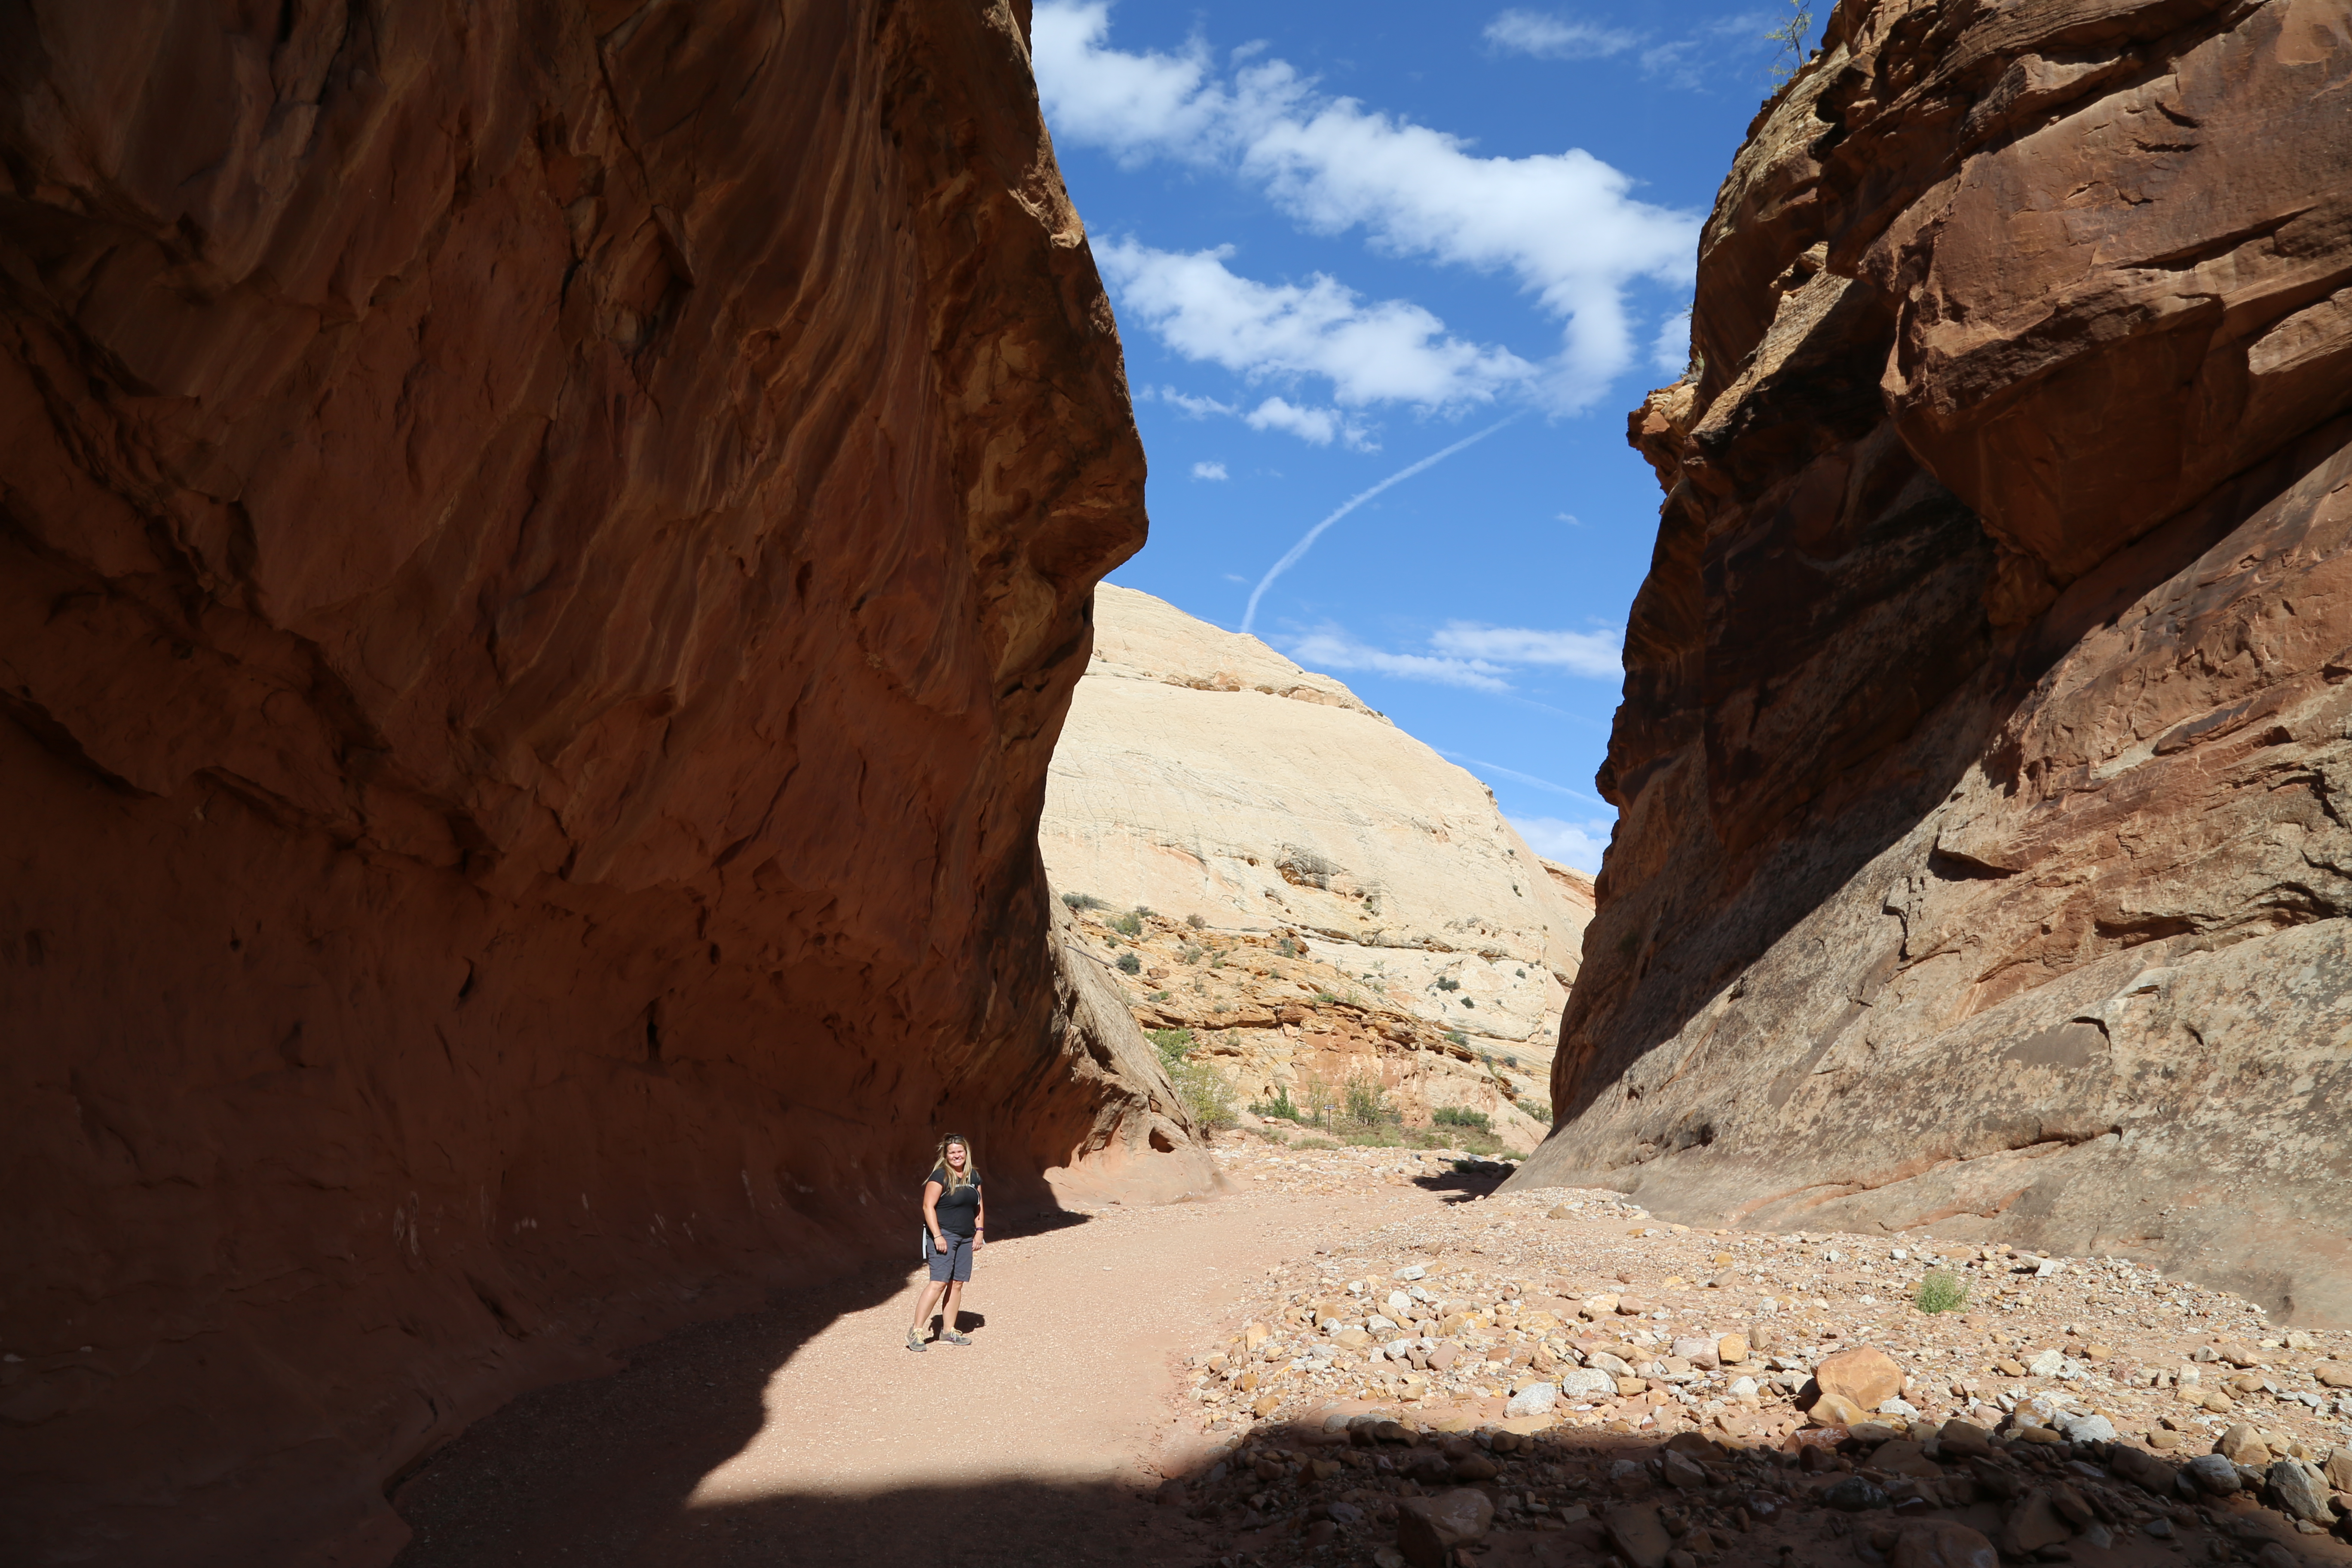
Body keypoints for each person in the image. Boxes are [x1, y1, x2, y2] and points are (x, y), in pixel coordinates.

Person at [906, 1133, 984, 1351]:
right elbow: (927, 1207)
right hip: (944, 1235)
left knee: (957, 1283)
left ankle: (948, 1331)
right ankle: (916, 1331)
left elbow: (978, 1206)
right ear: (946, 1155)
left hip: (966, 1236)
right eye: (952, 1152)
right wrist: (938, 1235)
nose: (957, 1155)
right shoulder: (939, 1176)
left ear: (966, 1153)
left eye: (960, 1151)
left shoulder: (974, 1177)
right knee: (939, 1282)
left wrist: (980, 1232)